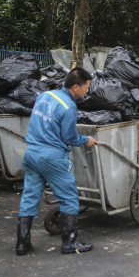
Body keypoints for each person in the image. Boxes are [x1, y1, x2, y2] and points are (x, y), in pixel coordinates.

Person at [15, 67, 99, 256]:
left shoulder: (45, 96)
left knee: (30, 196)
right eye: (86, 87)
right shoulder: (69, 107)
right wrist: (87, 140)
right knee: (69, 198)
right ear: (75, 87)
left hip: (32, 152)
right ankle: (70, 243)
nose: (88, 91)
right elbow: (69, 137)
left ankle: (22, 243)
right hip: (52, 157)